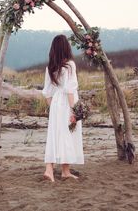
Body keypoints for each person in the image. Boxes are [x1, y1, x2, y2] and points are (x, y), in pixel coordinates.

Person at [42, 34, 84, 182]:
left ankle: (50, 170)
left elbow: (47, 92)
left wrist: (53, 109)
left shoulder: (50, 67)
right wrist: (74, 110)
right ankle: (64, 171)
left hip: (55, 103)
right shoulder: (70, 65)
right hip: (67, 103)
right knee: (68, 135)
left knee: (54, 135)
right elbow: (70, 90)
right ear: (66, 48)